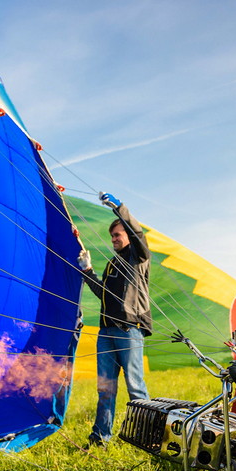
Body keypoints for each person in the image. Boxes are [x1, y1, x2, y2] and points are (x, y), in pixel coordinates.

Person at [77, 192, 152, 447]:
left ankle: (147, 437)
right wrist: (88, 271)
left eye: (117, 235)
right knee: (105, 389)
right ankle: (100, 438)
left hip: (129, 329)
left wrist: (119, 208)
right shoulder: (112, 264)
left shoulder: (138, 258)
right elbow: (102, 294)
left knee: (135, 387)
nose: (113, 240)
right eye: (112, 236)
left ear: (128, 235)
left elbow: (139, 235)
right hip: (106, 332)